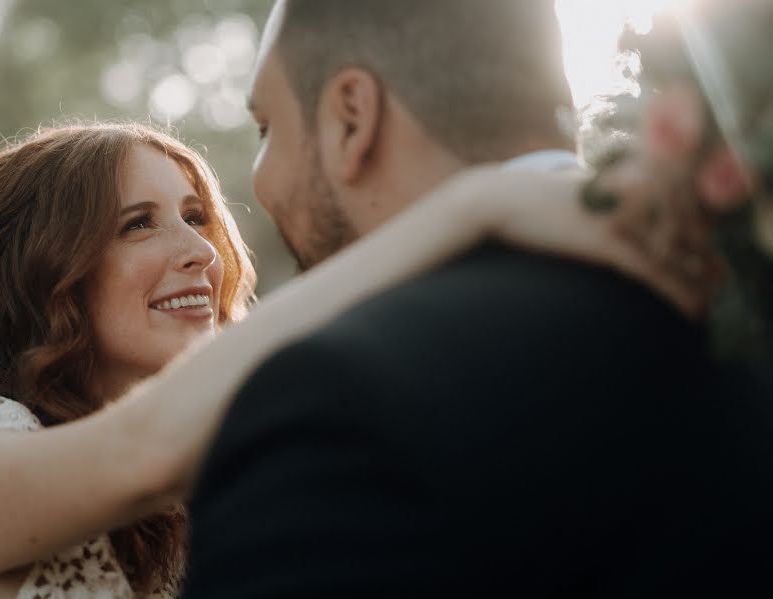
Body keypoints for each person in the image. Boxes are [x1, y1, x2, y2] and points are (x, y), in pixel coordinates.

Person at [0, 117, 687, 598]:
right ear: (48, 267)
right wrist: (474, 208)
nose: (200, 251)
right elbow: (142, 451)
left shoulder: (237, 471)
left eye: (198, 214)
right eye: (138, 223)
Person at [180, 1, 773, 597]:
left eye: (266, 128)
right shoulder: (728, 297)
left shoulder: (334, 396)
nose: (258, 177)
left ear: (352, 117)